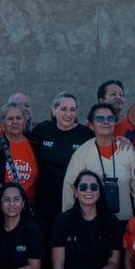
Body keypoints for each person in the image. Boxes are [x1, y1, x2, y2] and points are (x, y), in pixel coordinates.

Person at [61, 102, 135, 218]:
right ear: (91, 125)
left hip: (124, 221)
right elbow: (69, 186)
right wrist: (70, 219)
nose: (106, 122)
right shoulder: (82, 153)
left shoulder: (126, 149)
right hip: (93, 222)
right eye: (100, 119)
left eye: (110, 118)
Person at [31, 94, 89, 228]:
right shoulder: (42, 130)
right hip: (45, 202)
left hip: (73, 200)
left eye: (72, 109)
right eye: (63, 109)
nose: (68, 114)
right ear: (53, 110)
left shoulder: (86, 135)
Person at [0, 101, 40, 201]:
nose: (15, 122)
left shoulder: (36, 145)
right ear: (3, 123)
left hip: (31, 204)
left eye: (19, 118)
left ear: (25, 121)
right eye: (10, 119)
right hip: (5, 203)